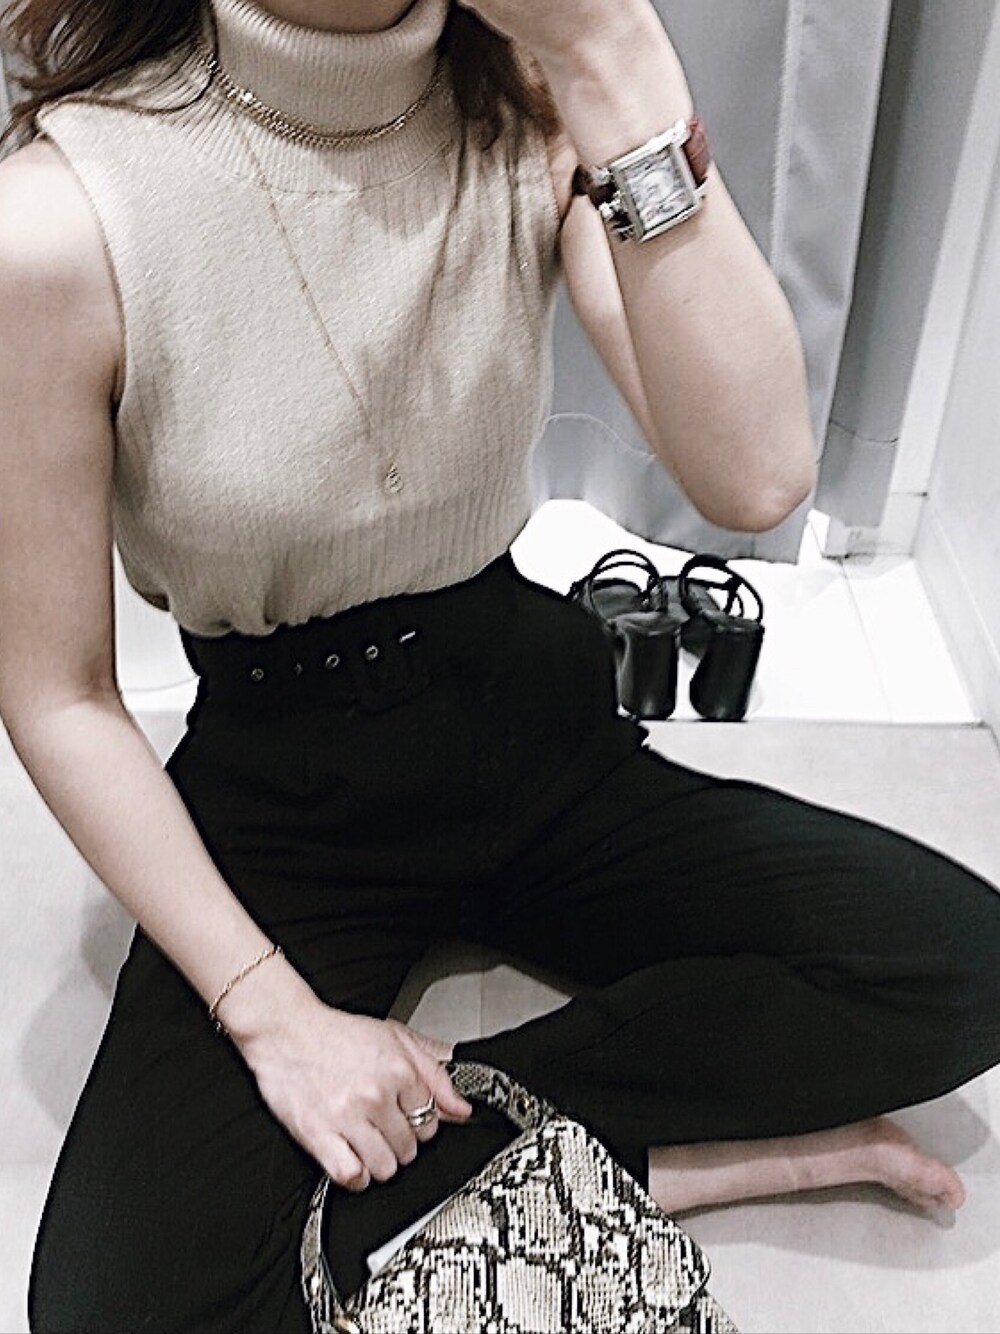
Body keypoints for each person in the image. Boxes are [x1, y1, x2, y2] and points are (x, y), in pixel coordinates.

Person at [1, 0, 998, 1329]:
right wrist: (277, 1018)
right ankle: (650, 1153)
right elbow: (58, 693)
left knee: (954, 965)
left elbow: (758, 478)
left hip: (533, 728)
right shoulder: (61, 219)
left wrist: (614, 54)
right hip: (291, 793)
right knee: (118, 1308)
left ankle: (542, 1140)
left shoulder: (524, 105)